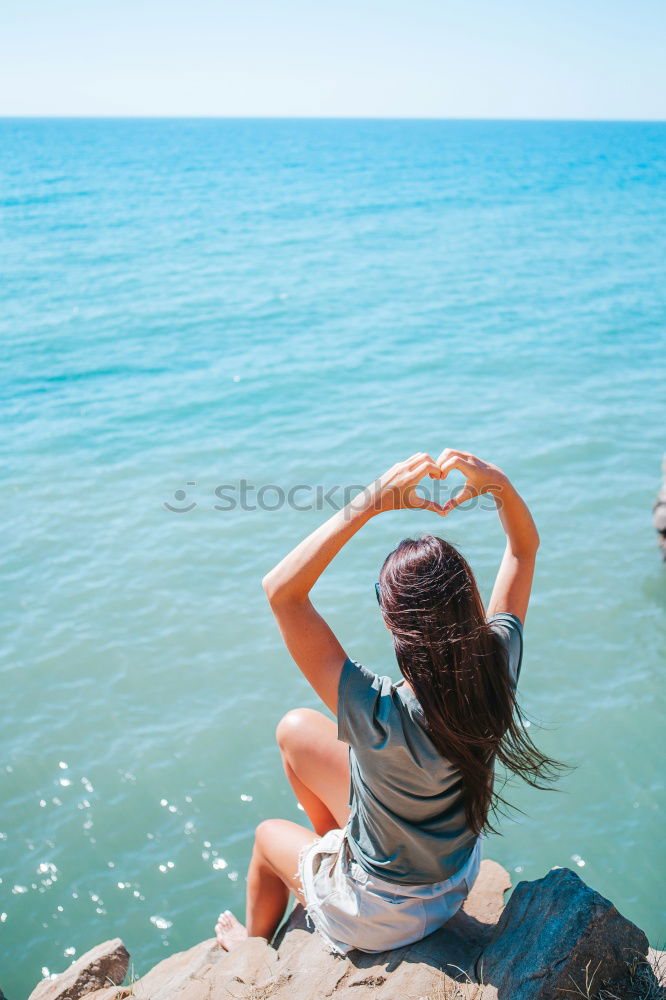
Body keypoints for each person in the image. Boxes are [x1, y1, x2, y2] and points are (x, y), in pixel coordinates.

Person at [215, 449, 563, 956]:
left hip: (376, 915)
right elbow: (523, 551)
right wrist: (499, 486)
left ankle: (248, 946)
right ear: (470, 600)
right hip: (455, 878)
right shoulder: (497, 661)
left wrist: (370, 502)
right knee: (296, 729)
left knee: (268, 835)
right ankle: (335, 847)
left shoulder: (374, 709)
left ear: (391, 622)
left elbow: (281, 593)